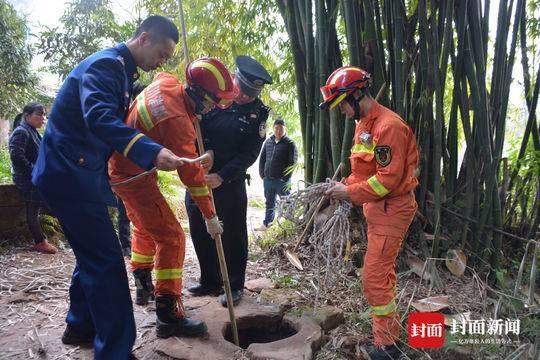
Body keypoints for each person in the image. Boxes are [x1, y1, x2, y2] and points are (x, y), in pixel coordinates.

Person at [32, 16, 185, 359]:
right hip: (70, 174)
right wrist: (151, 150)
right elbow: (99, 118)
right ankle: (114, 352)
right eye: (161, 53)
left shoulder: (122, 72)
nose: (161, 62)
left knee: (91, 254)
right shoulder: (106, 66)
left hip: (73, 173)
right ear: (144, 38)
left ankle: (79, 326)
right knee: (107, 261)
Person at [109, 57, 237, 338]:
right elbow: (193, 179)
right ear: (200, 95)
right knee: (172, 237)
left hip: (123, 167)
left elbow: (160, 83)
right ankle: (168, 313)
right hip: (132, 175)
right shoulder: (178, 121)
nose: (213, 108)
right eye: (213, 102)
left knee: (145, 226)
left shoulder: (167, 82)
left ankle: (143, 286)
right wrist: (210, 216)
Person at [320, 66, 419, 360]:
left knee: (374, 276)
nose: (340, 112)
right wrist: (343, 185)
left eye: (341, 105)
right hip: (376, 208)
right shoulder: (362, 125)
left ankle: (387, 346)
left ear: (357, 95)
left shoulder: (389, 127)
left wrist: (348, 193)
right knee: (380, 273)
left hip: (393, 209)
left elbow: (386, 179)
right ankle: (388, 336)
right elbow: (362, 172)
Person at [185, 55, 272, 307]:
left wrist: (222, 176)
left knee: (233, 235)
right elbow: (196, 130)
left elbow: (249, 154)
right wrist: (206, 153)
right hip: (200, 177)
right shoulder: (215, 98)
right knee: (199, 228)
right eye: (241, 90)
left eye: (249, 93)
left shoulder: (258, 115)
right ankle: (210, 280)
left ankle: (234, 285)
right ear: (234, 80)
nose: (243, 96)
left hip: (229, 182)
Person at [8, 103, 57, 254]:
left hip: (34, 177)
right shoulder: (22, 132)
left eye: (44, 114)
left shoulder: (32, 131)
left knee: (39, 206)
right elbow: (16, 156)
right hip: (27, 179)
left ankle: (42, 239)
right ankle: (39, 242)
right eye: (39, 114)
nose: (43, 118)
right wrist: (34, 170)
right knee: (33, 208)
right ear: (27, 116)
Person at [256, 118, 297, 230]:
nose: (278, 131)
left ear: (285, 129)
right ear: (273, 129)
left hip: (281, 181)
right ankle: (267, 224)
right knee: (269, 203)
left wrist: (285, 178)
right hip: (268, 179)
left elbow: (292, 162)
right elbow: (262, 159)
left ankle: (290, 224)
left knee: (286, 202)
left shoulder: (290, 143)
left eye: (281, 128)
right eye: (276, 128)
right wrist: (262, 175)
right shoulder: (268, 141)